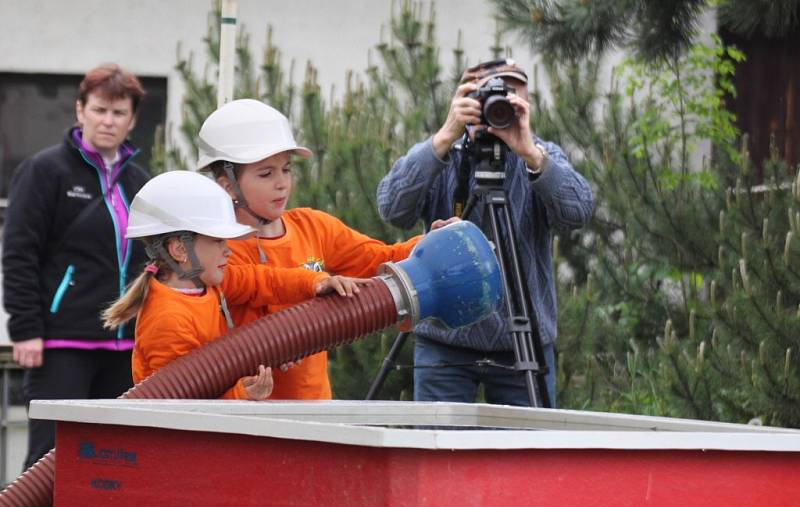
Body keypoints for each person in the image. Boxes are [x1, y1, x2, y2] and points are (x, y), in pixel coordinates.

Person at [196, 99, 457, 400]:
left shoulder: (313, 226)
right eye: (266, 174)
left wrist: (426, 243)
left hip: (316, 408)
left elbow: (379, 259)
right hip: (253, 417)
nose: (282, 184)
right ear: (228, 186)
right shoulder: (221, 253)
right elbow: (245, 320)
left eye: (286, 169)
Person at [376, 58, 594, 407]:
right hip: (444, 340)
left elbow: (579, 212)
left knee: (526, 460)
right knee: (439, 453)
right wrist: (445, 136)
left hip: (522, 342)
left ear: (526, 101)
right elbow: (392, 208)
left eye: (511, 89)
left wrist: (531, 155)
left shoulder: (542, 155)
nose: (502, 99)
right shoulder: (444, 154)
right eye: (490, 91)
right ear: (466, 99)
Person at [2, 63, 151, 468]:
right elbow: (19, 253)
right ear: (79, 110)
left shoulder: (138, 181)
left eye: (119, 113)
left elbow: (150, 259)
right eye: (100, 109)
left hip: (124, 348)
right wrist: (26, 330)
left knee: (111, 462)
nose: (108, 120)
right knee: (49, 461)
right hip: (61, 343)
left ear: (132, 120)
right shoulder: (44, 171)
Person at [102, 170, 364, 399]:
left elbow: (266, 280)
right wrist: (241, 393)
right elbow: (181, 399)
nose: (228, 251)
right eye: (218, 241)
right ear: (180, 249)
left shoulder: (211, 284)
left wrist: (317, 282)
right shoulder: (168, 318)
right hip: (179, 446)